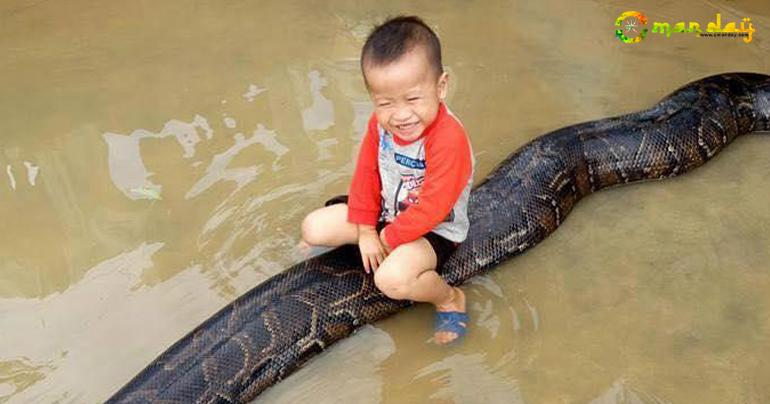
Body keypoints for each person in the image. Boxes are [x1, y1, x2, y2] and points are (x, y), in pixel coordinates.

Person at [298, 15, 474, 345]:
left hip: (434, 229)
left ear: (441, 87)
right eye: (385, 103)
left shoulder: (448, 139)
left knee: (391, 280)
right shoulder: (380, 126)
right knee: (313, 228)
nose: (400, 115)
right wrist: (366, 230)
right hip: (388, 213)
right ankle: (366, 240)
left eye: (412, 99)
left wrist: (387, 240)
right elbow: (366, 174)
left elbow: (433, 207)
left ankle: (449, 298)